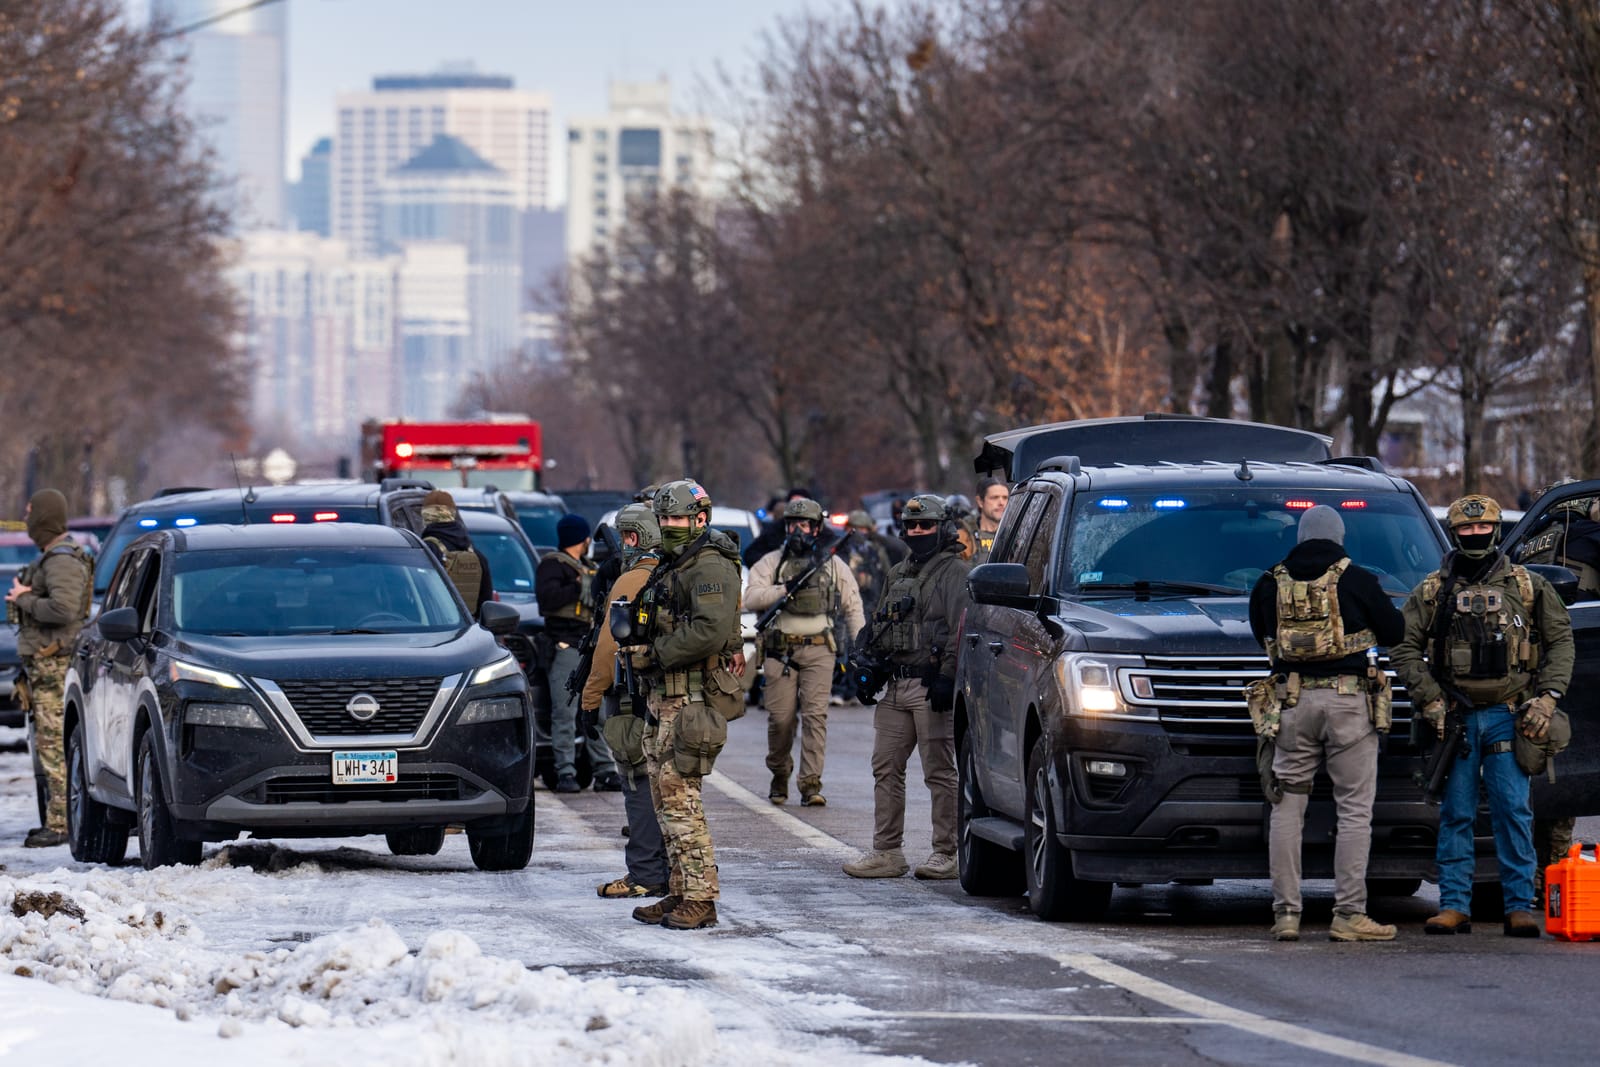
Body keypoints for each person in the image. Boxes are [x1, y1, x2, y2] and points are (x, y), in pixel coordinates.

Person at [1391, 494, 1574, 937]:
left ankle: (1517, 906)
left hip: (1509, 717)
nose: (1476, 535)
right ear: (1454, 533)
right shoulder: (1433, 590)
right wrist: (1430, 698)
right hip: (1455, 719)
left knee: (1513, 811)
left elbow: (1561, 641)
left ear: (1495, 530)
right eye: (1467, 529)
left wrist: (1547, 698)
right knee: (1456, 813)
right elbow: (1403, 646)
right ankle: (1454, 905)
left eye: (1483, 527)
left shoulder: (1529, 586)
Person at [1246, 505, 1405, 942]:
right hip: (1348, 703)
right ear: (1339, 537)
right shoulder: (1357, 578)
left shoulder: (1268, 582)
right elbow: (1394, 630)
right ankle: (1349, 914)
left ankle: (1286, 914)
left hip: (1292, 704)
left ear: (1300, 536)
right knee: (1353, 809)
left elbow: (1260, 631)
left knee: (1287, 806)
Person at [629, 479, 744, 930]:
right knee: (664, 801)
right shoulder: (677, 564)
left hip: (690, 698)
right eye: (663, 519)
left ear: (699, 519)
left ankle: (701, 896)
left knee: (681, 801)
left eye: (675, 518)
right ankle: (679, 889)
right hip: (665, 696)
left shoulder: (708, 567)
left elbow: (710, 631)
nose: (668, 526)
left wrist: (656, 653)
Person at [843, 494, 969, 881]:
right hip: (896, 687)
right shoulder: (898, 573)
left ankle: (946, 852)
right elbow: (882, 624)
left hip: (931, 686)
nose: (917, 532)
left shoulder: (956, 572)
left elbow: (959, 629)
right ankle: (887, 852)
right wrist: (866, 667)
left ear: (942, 527)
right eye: (911, 526)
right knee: (885, 768)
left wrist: (948, 676)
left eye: (925, 525)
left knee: (939, 772)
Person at [744, 497, 865, 807]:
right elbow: (751, 597)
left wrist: (861, 649)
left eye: (804, 525)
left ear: (815, 529)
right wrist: (784, 589)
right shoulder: (771, 562)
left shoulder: (832, 564)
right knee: (780, 720)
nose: (797, 530)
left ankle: (811, 783)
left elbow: (853, 607)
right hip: (780, 651)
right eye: (792, 524)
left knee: (815, 717)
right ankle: (779, 773)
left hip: (819, 649)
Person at [1513, 481, 1596, 900]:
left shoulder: (1529, 540)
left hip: (1524, 666)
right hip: (1575, 661)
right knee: (1563, 768)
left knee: (1535, 767)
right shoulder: (1584, 536)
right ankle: (1557, 871)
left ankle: (1533, 874)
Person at [583, 503, 669, 898]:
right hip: (674, 698)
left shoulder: (631, 580)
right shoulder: (676, 573)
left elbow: (605, 650)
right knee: (673, 788)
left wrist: (589, 700)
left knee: (637, 783)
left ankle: (646, 873)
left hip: (633, 698)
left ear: (634, 537)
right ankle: (675, 870)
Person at [5, 489, 93, 848]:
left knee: (54, 746)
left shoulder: (60, 560)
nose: (26, 520)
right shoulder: (53, 557)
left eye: (30, 513)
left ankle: (60, 824)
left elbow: (64, 610)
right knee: (49, 746)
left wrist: (22, 598)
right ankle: (59, 818)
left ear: (45, 516)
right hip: (46, 664)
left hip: (55, 666)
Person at [537, 512, 622, 793]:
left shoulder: (589, 566)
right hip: (565, 645)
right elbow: (547, 601)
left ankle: (604, 770)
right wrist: (578, 585)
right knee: (565, 711)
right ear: (582, 539)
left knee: (595, 712)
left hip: (591, 646)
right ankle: (565, 771)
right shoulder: (553, 565)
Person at [419, 490, 493, 614]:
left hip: (434, 629)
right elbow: (485, 604)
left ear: (425, 516)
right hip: (470, 629)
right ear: (452, 514)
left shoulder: (426, 551)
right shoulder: (476, 554)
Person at [841, 510, 895, 620]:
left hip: (872, 604)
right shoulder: (840, 550)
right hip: (847, 606)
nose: (858, 533)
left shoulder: (877, 550)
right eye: (853, 528)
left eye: (862, 529)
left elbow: (887, 576)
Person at [742, 486, 813, 567]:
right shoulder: (774, 531)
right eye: (793, 503)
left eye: (801, 504)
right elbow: (751, 555)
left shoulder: (821, 532)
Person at [971, 478, 1009, 564]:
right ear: (980, 501)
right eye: (994, 497)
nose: (1001, 503)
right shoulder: (965, 536)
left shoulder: (1015, 535)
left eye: (1005, 498)